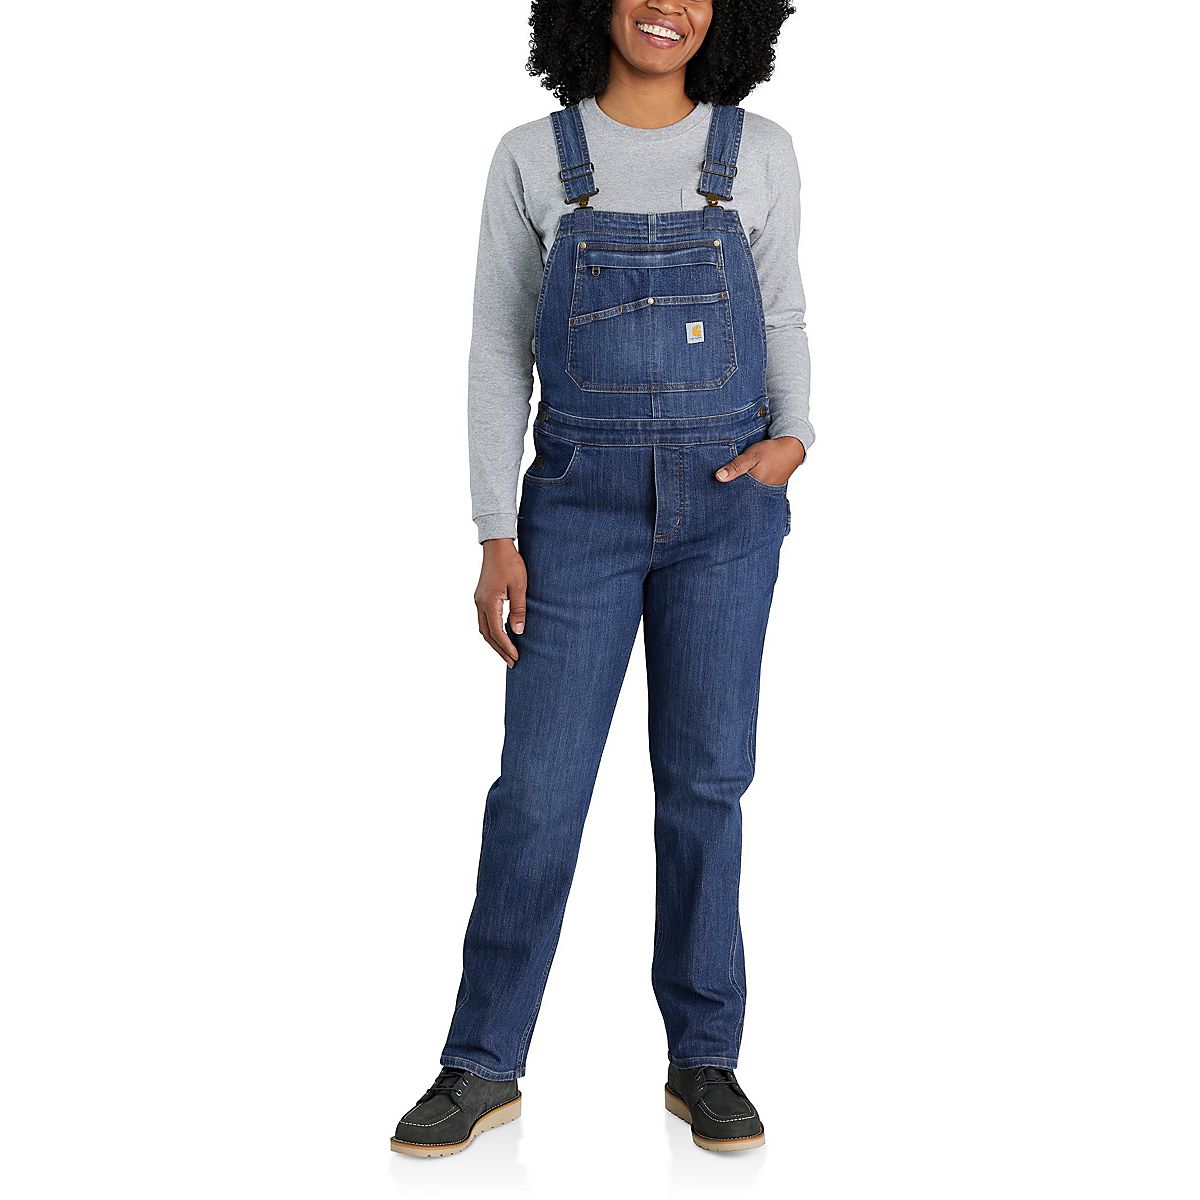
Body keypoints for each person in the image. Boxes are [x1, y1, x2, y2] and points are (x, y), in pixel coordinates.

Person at [391, 0, 813, 1157]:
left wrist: (796, 436)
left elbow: (781, 308)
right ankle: (483, 1060)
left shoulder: (760, 152)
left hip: (729, 511)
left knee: (707, 784)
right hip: (573, 516)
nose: (667, 5)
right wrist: (495, 529)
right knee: (536, 793)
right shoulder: (534, 158)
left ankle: (705, 1058)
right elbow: (496, 347)